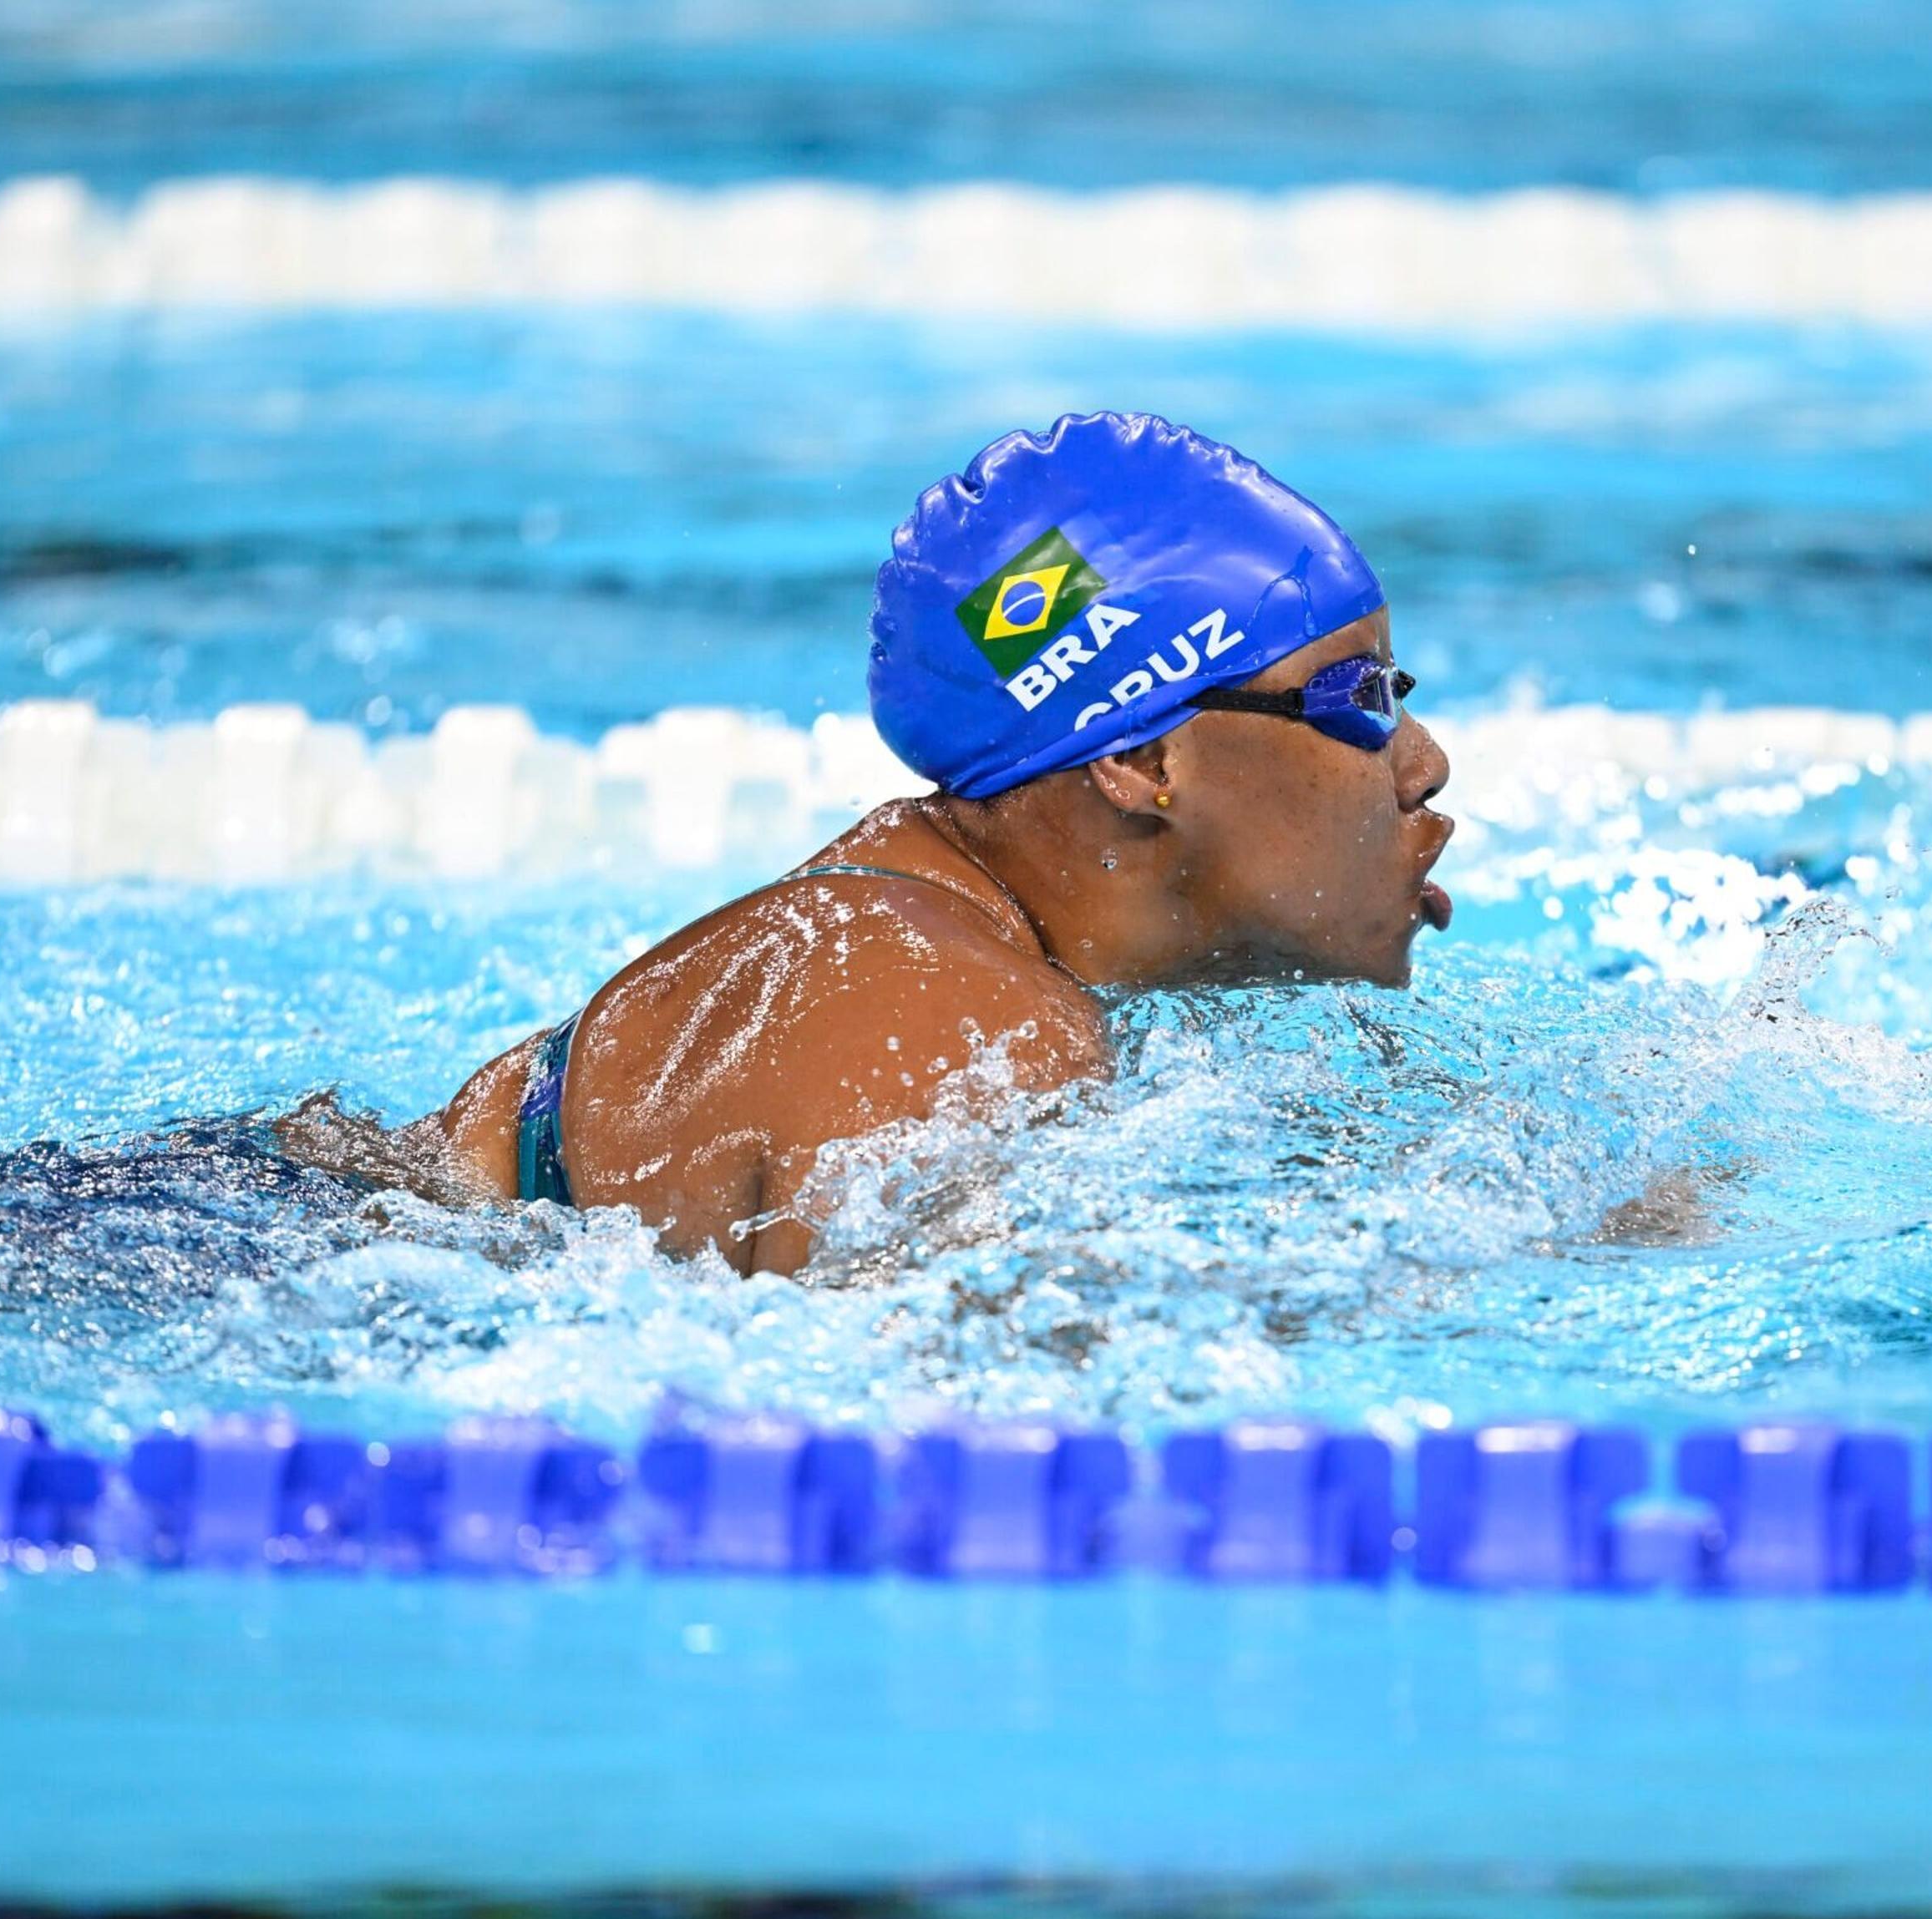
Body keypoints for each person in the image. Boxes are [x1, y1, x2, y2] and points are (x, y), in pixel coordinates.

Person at [372, 413, 1453, 1274]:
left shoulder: (902, 940)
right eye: (1358, 697)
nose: (1425, 762)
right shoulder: (963, 1012)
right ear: (1143, 764)